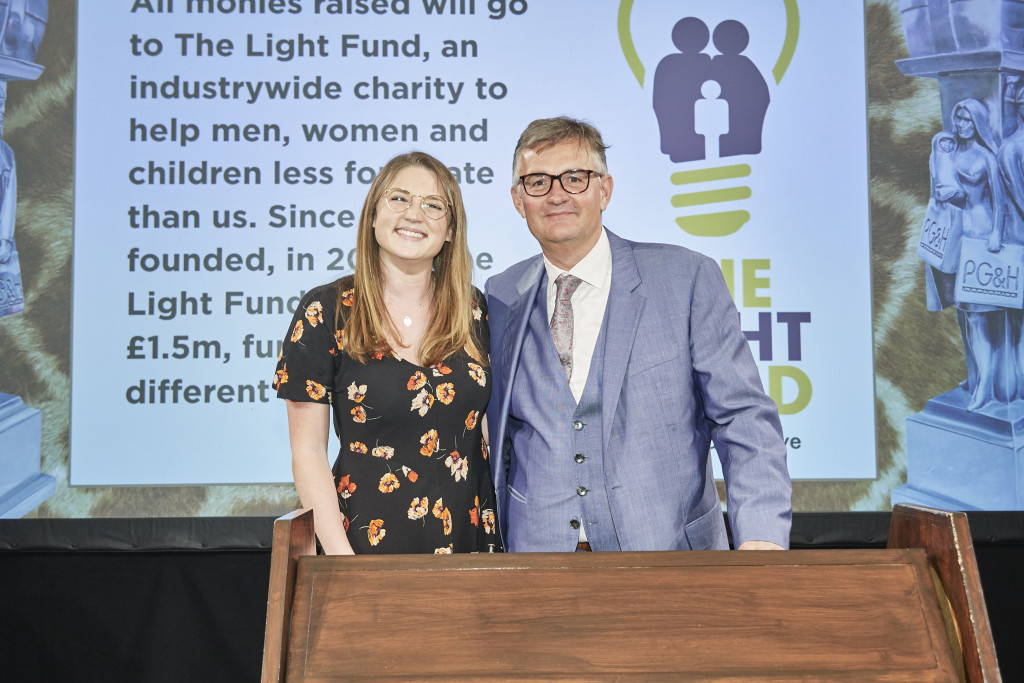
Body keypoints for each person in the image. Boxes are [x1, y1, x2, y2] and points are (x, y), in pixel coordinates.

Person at [485, 117, 792, 552]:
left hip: (669, 562)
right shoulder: (498, 296)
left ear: (604, 190)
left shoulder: (686, 278)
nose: (556, 194)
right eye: (537, 181)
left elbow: (743, 418)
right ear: (518, 199)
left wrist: (762, 536)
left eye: (574, 178)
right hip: (536, 564)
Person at [273, 151, 499, 555]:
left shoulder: (474, 310)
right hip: (362, 547)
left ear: (450, 230)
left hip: (470, 547)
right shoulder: (325, 310)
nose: (415, 214)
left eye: (433, 206)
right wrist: (343, 562)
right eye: (399, 199)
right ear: (373, 215)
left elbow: (483, 432)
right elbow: (307, 452)